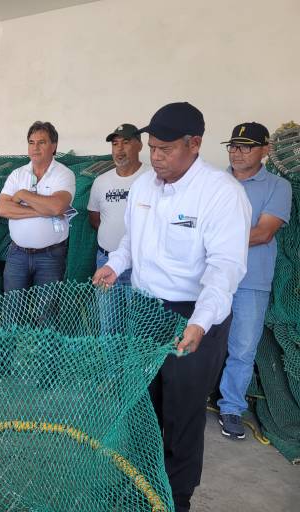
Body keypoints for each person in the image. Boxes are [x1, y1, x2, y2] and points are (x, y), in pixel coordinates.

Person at [92, 102, 251, 512]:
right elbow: (131, 240)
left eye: (165, 149)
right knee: (143, 404)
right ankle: (139, 482)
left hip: (194, 316)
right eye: (152, 147)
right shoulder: (145, 187)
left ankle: (176, 497)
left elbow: (224, 269)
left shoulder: (221, 194)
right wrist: (114, 265)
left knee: (182, 411)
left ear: (194, 144)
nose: (155, 156)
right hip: (145, 310)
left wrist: (200, 322)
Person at [217, 122, 292, 439]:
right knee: (197, 339)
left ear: (266, 150)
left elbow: (264, 233)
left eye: (246, 146)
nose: (236, 152)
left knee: (243, 348)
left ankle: (231, 408)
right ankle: (189, 399)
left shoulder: (277, 186)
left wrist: (214, 241)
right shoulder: (214, 182)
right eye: (233, 145)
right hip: (210, 278)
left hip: (251, 281)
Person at [0, 121, 75, 291]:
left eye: (42, 142)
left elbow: (57, 207)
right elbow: (2, 209)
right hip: (17, 254)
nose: (35, 148)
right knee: (13, 308)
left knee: (46, 313)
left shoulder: (64, 174)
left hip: (51, 256)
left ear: (54, 146)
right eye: (31, 142)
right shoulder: (17, 174)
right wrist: (42, 210)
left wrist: (24, 194)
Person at [87, 123, 150, 285]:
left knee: (139, 310)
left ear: (140, 146)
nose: (119, 149)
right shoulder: (101, 181)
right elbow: (95, 219)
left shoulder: (153, 178)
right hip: (105, 260)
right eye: (115, 144)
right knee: (107, 311)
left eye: (126, 142)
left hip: (140, 262)